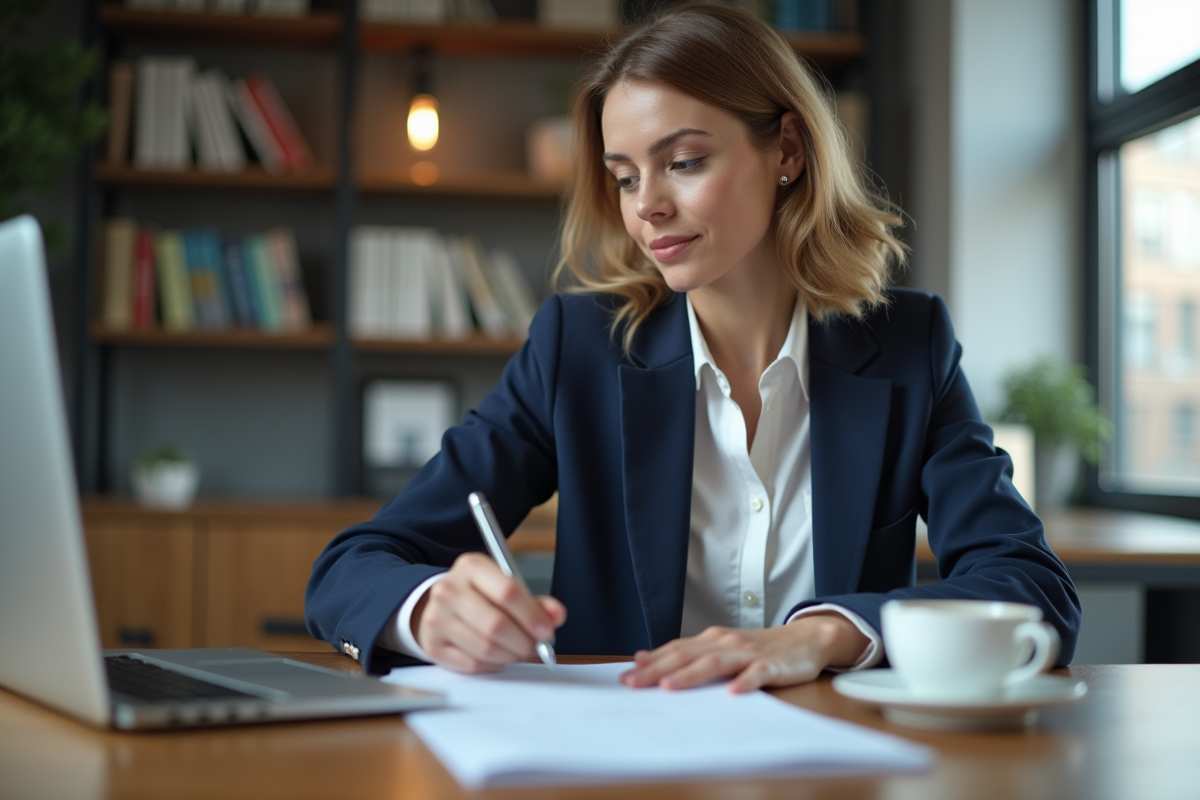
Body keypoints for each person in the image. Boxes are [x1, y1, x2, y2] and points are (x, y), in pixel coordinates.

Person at [305, 3, 1080, 692]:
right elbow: (351, 567)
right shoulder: (576, 348)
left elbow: (1031, 589)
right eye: (623, 175)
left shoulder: (910, 347)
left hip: (839, 763)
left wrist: (821, 635)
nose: (648, 207)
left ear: (787, 151)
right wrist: (429, 610)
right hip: (624, 765)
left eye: (683, 162)